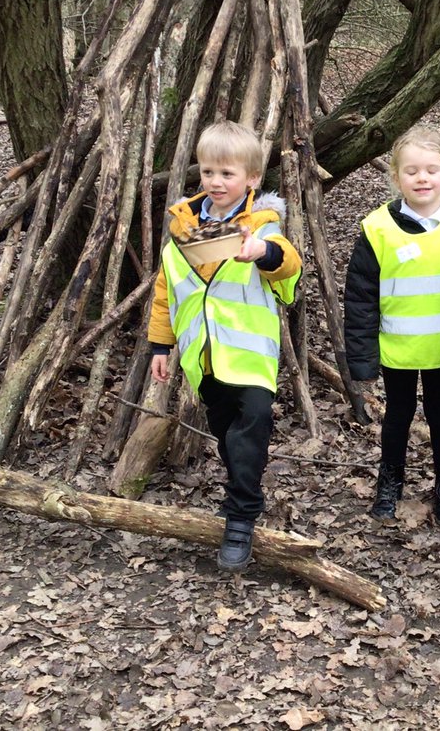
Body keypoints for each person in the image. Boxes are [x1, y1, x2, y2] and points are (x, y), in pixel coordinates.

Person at [148, 120, 301, 572]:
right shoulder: (183, 227)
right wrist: (161, 345)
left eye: (227, 174)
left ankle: (240, 517)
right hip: (205, 358)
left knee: (252, 423)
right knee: (226, 434)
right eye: (210, 172)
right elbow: (166, 290)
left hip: (250, 358)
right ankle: (242, 492)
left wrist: (262, 254)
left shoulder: (261, 225)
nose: (216, 182)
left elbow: (287, 264)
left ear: (251, 179)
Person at [344, 128, 440, 525]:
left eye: (432, 170)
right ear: (396, 177)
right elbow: (360, 299)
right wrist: (363, 362)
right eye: (412, 171)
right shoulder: (377, 229)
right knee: (397, 416)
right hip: (397, 350)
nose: (422, 178)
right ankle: (390, 481)